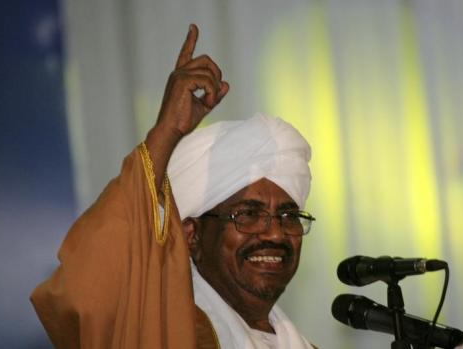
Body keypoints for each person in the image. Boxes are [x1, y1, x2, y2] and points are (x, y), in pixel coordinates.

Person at [31, 24, 317, 348]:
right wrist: (166, 132)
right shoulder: (158, 330)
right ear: (191, 234)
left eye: (289, 216)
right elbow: (84, 294)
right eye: (248, 214)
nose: (276, 234)